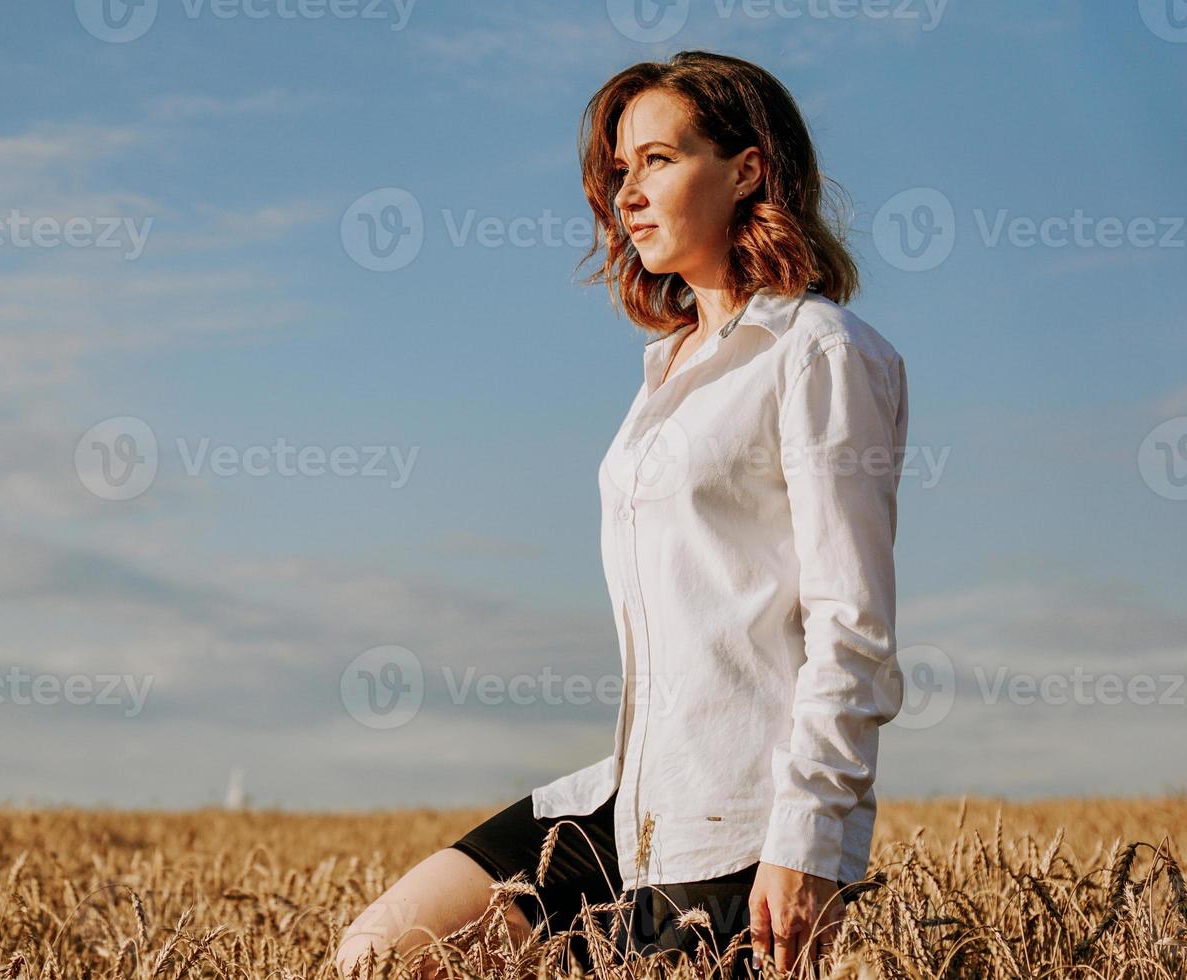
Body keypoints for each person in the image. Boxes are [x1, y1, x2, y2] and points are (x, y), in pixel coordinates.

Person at [335, 48, 908, 980]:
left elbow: (852, 623)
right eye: (616, 171)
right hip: (627, 796)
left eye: (656, 160)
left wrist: (804, 838)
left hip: (742, 822)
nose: (625, 193)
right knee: (379, 955)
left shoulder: (817, 352)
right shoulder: (666, 370)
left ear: (746, 170)